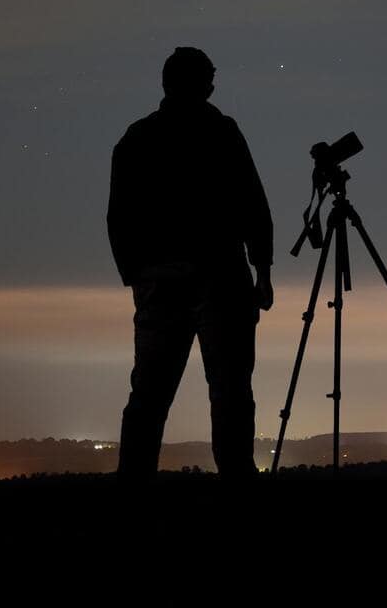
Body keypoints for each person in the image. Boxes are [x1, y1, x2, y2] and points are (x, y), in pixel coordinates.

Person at [108, 46, 275, 480]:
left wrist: (139, 275)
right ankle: (236, 479)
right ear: (203, 84)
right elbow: (253, 203)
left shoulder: (137, 138)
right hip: (220, 279)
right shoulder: (222, 132)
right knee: (230, 392)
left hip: (163, 283)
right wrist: (264, 271)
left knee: (149, 394)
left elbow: (119, 218)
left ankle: (134, 484)